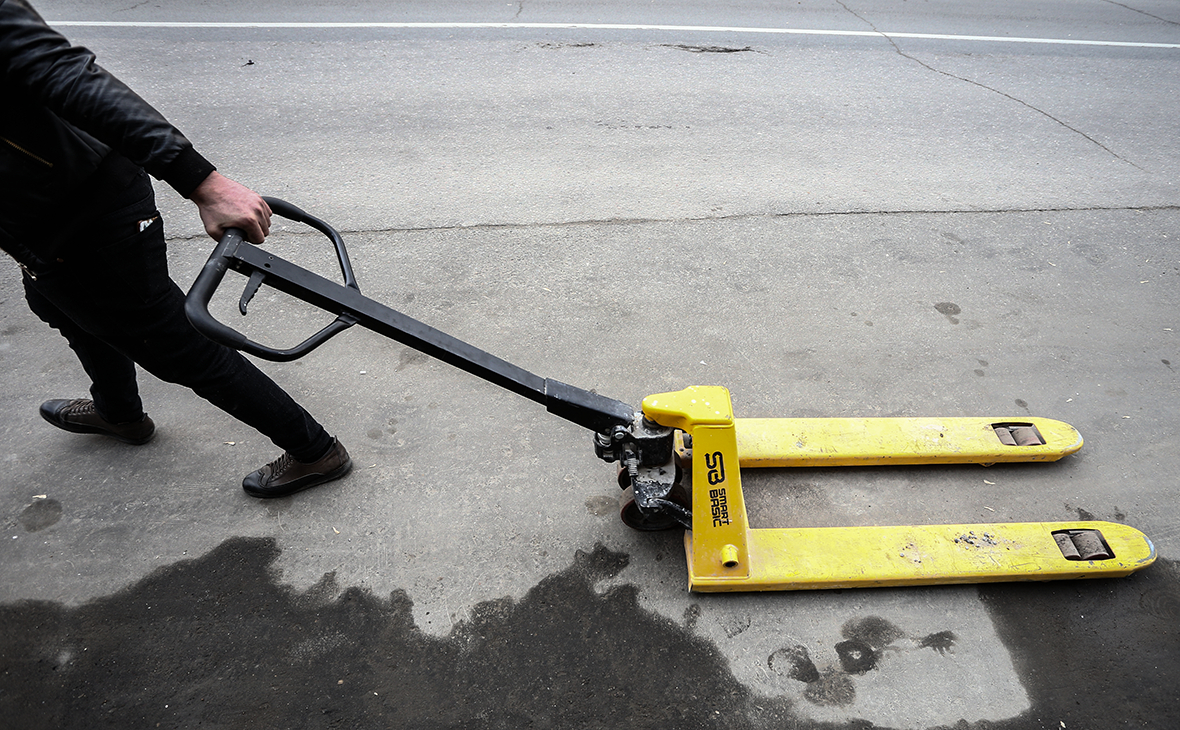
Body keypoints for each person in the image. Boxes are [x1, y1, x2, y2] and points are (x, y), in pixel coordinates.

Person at [0, 0, 351, 497]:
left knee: (174, 343)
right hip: (34, 221)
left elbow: (67, 75)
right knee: (59, 304)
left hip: (82, 211)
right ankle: (119, 412)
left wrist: (202, 181)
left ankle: (315, 451)